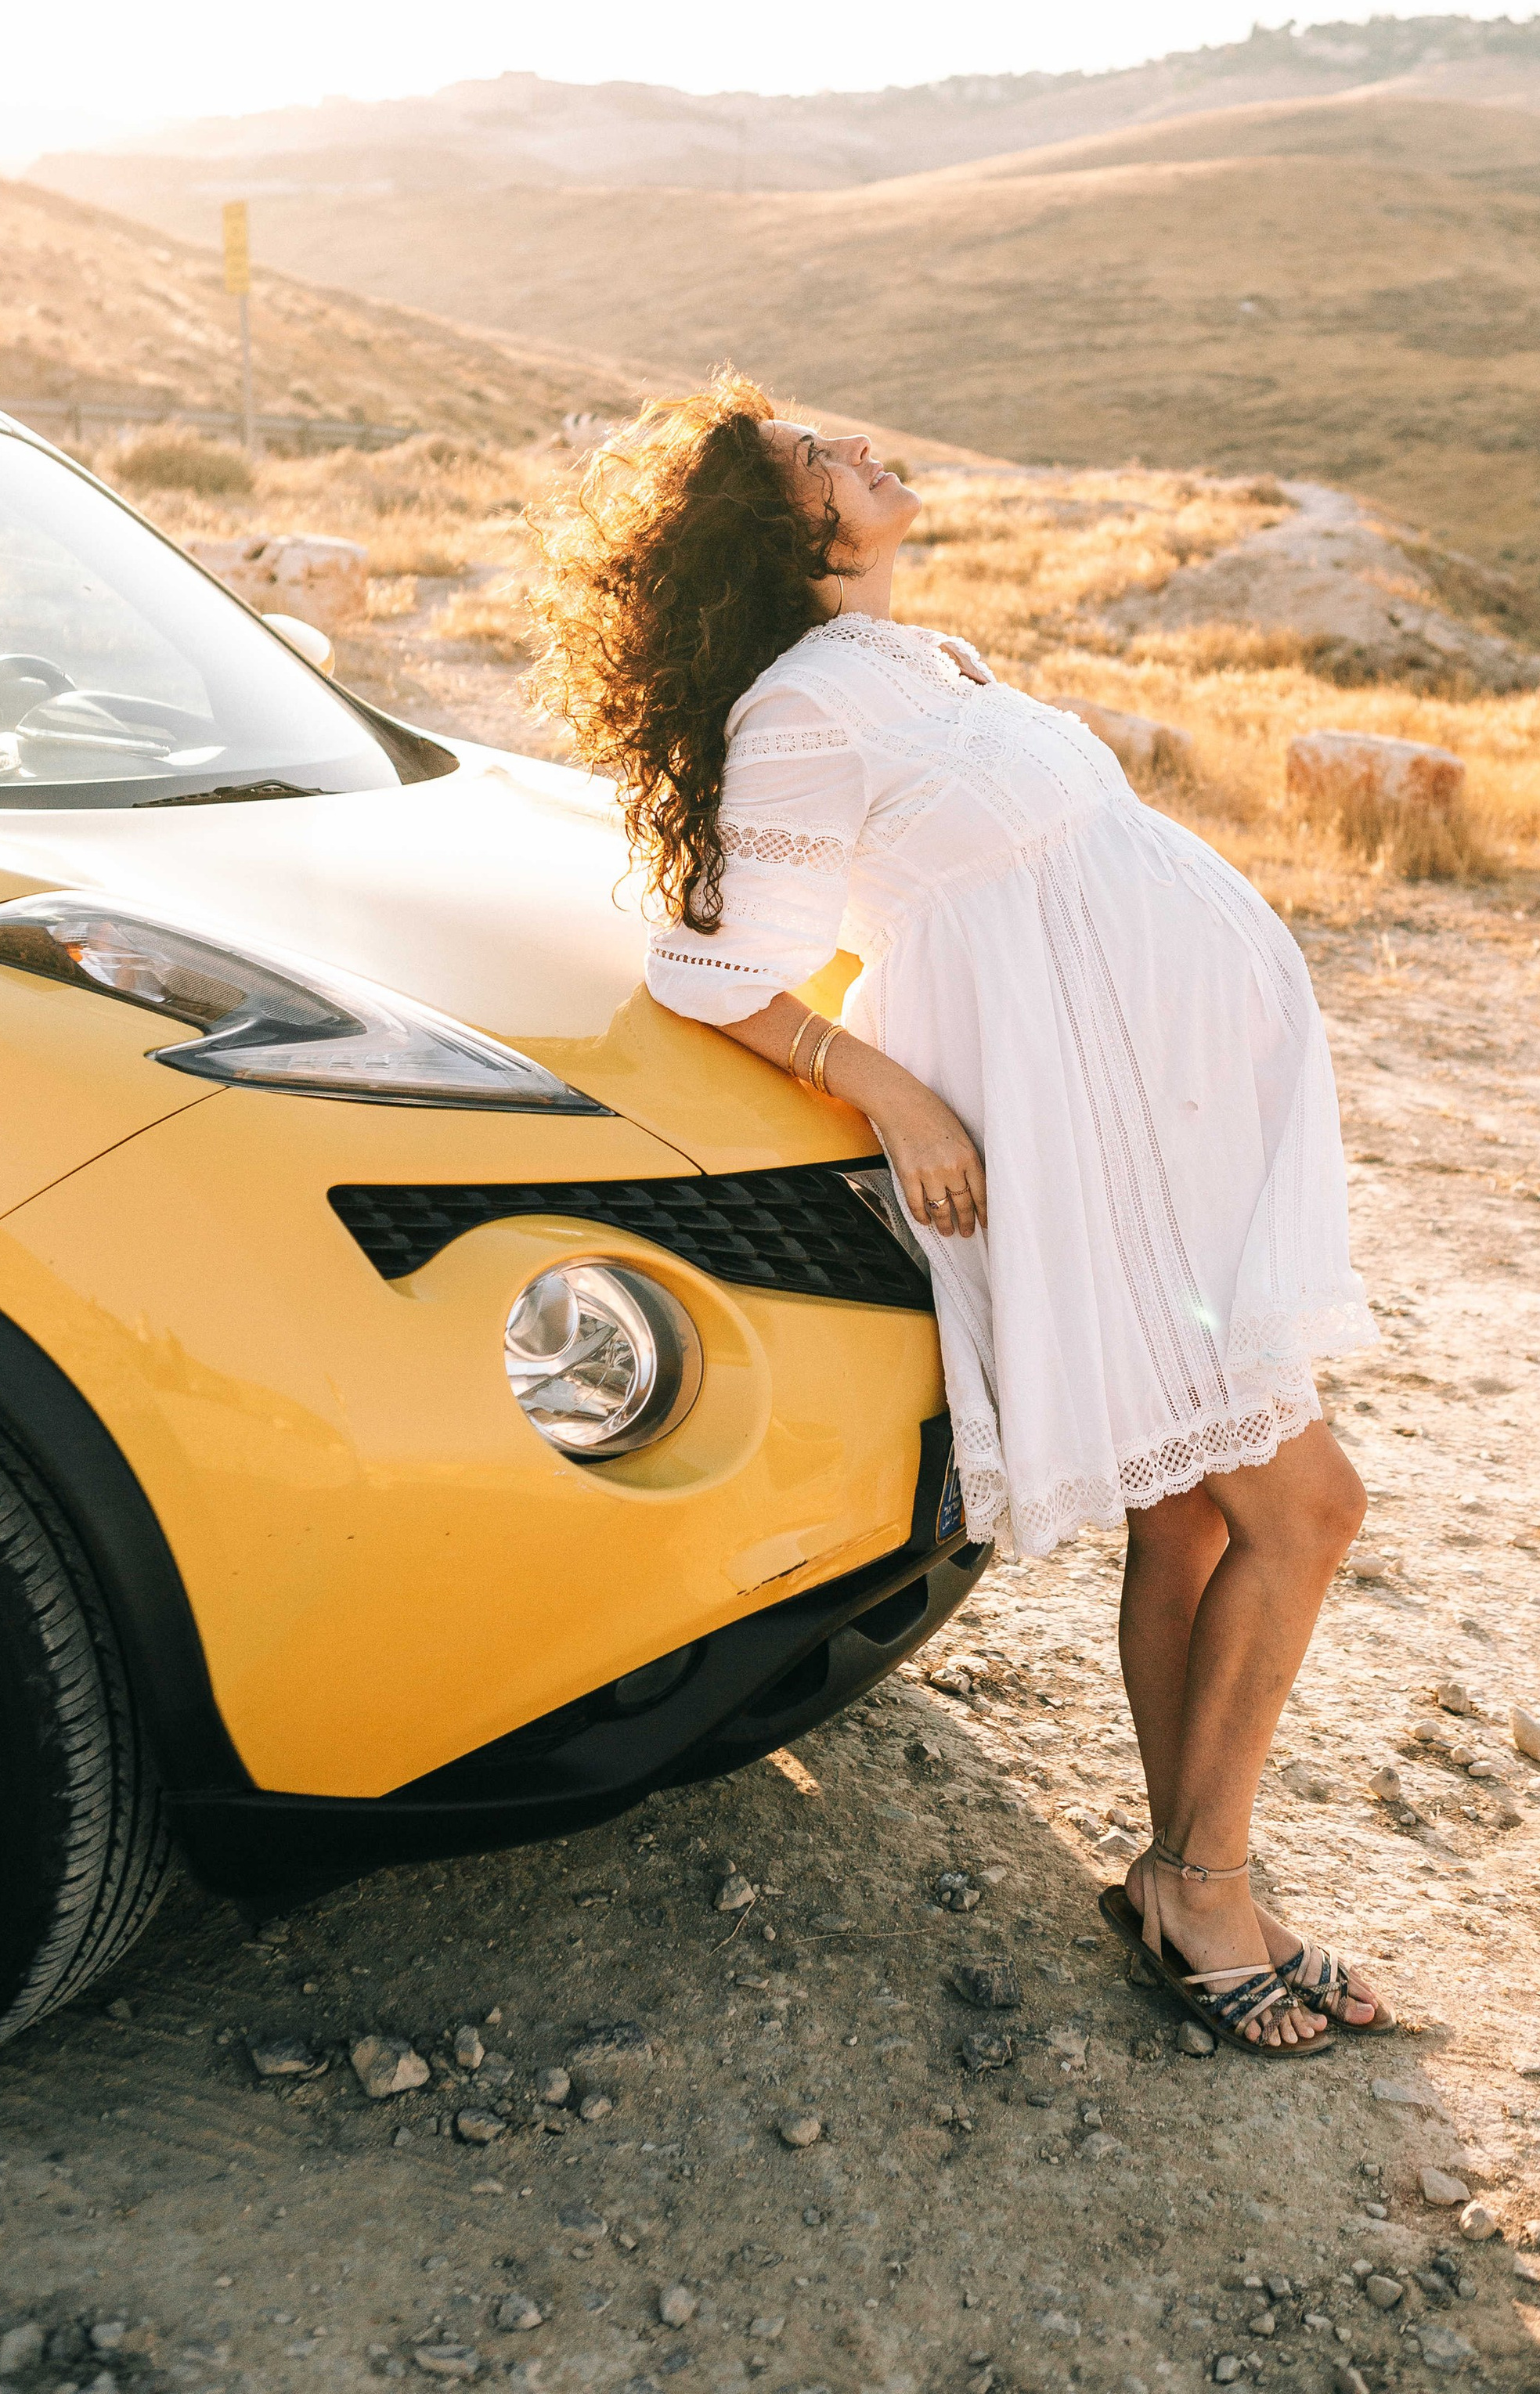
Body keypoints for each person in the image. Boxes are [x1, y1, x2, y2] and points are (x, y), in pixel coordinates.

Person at [532, 375, 1388, 2053]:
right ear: (789, 531)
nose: (865, 447)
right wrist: (895, 1090)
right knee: (1305, 1509)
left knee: (1195, 1520)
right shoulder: (798, 709)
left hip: (1162, 1121)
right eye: (820, 457)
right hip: (1091, 1150)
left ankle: (1178, 1877)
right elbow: (715, 969)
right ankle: (1204, 1883)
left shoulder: (912, 661)